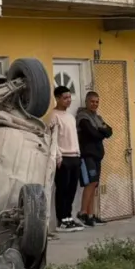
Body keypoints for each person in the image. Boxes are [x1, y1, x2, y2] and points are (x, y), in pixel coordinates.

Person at [48, 85, 83, 233]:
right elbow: (51, 139)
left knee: (71, 190)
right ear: (57, 99)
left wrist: (78, 153)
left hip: (75, 156)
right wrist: (57, 156)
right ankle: (61, 220)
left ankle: (68, 217)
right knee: (62, 190)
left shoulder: (70, 117)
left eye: (69, 97)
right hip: (63, 158)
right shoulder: (54, 116)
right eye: (65, 98)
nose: (68, 100)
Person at [76, 90, 112, 228]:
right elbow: (93, 134)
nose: (94, 104)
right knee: (90, 183)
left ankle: (91, 215)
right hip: (87, 155)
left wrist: (101, 131)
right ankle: (83, 212)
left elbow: (110, 132)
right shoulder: (82, 117)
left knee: (95, 184)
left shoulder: (97, 117)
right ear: (86, 102)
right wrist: (101, 131)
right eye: (92, 101)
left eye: (97, 102)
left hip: (98, 155)